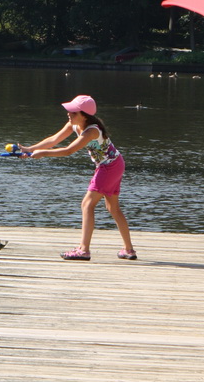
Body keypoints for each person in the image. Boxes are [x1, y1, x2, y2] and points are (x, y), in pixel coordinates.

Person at [19, 94, 137, 261]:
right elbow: (53, 139)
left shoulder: (92, 131)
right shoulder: (73, 124)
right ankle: (128, 250)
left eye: (73, 112)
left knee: (87, 204)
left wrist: (43, 154)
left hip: (109, 167)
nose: (69, 114)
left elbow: (68, 150)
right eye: (70, 111)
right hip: (114, 164)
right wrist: (29, 149)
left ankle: (83, 250)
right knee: (113, 208)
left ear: (84, 115)